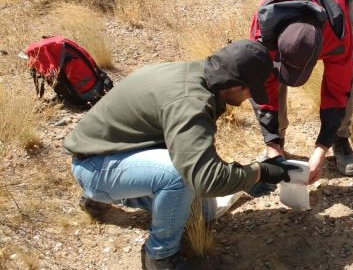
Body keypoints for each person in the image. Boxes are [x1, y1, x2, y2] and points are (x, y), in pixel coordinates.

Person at [64, 40, 299, 270]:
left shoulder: (200, 76)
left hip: (115, 150)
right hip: (93, 164)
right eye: (251, 91)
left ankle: (113, 192)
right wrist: (258, 172)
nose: (250, 98)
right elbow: (206, 179)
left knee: (202, 213)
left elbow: (197, 155)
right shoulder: (191, 102)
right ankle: (160, 256)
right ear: (234, 84)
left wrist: (244, 181)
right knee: (179, 177)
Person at [249, 0, 353, 184]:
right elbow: (260, 87)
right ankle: (278, 143)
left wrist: (321, 148)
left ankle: (340, 138)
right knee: (267, 74)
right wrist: (271, 142)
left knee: (348, 76)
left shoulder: (337, 33)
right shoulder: (262, 33)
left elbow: (338, 88)